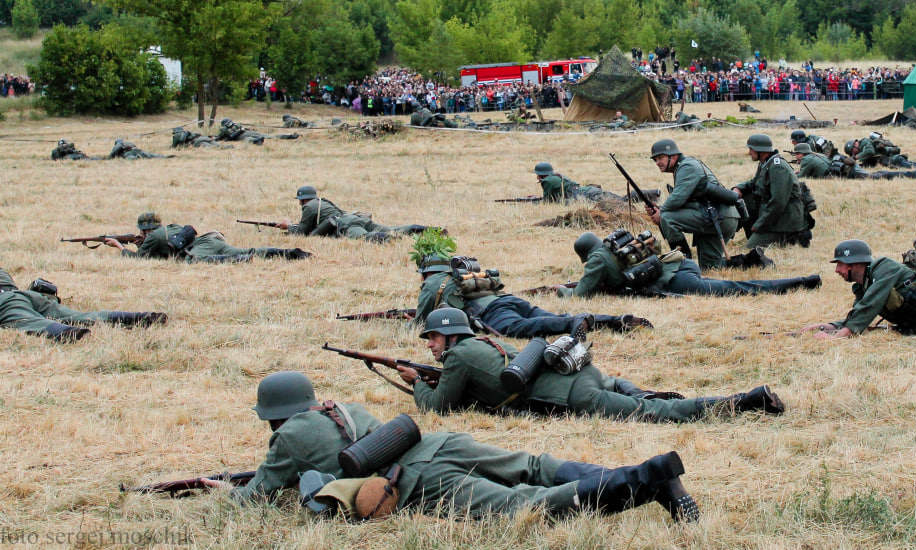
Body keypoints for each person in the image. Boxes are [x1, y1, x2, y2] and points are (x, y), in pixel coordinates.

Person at [207, 371, 700, 522]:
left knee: (518, 507)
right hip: (439, 443)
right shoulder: (345, 408)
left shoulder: (288, 436)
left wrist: (216, 488)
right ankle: (642, 476)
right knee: (532, 466)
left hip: (418, 480)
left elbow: (255, 497)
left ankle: (645, 477)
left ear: (273, 415)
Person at [398, 309, 785, 423]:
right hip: (582, 372)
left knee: (657, 414)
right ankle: (642, 393)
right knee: (629, 392)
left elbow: (439, 408)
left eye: (432, 338)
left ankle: (744, 402)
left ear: (450, 337)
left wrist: (417, 382)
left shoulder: (458, 357)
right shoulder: (485, 342)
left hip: (573, 395)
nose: (429, 345)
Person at [414, 255, 652, 338]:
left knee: (523, 329)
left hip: (492, 313)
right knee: (548, 319)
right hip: (509, 301)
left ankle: (574, 322)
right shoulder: (462, 274)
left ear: (427, 272)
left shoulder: (434, 282)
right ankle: (611, 320)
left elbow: (423, 319)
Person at [563, 230, 817, 298]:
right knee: (732, 287)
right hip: (679, 265)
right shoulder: (613, 248)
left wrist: (564, 291)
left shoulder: (597, 260)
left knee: (737, 289)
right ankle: (802, 281)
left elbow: (581, 295)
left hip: (676, 279)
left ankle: (802, 282)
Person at [645, 139, 740, 269]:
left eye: (660, 158)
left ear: (673, 156)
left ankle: (683, 263)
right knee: (710, 268)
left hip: (718, 217)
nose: (657, 163)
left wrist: (661, 213)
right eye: (655, 160)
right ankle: (753, 261)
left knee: (667, 218)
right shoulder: (683, 166)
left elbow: (677, 199)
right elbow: (685, 201)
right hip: (719, 217)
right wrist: (659, 209)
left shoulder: (687, 167)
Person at [0, 268, 165, 341]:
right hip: (28, 295)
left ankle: (68, 333)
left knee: (27, 321)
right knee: (78, 316)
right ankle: (135, 318)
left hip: (7, 301)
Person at [104, 212, 310, 262]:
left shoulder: (152, 237)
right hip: (210, 238)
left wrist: (119, 247)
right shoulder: (168, 228)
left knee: (194, 262)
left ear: (144, 228)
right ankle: (289, 253)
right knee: (248, 249)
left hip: (201, 249)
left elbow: (139, 260)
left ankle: (238, 261)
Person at [733, 134, 811, 249]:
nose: (749, 152)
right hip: (775, 215)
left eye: (751, 149)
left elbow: (778, 202)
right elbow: (755, 183)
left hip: (785, 219)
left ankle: (785, 238)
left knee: (750, 248)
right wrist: (738, 188)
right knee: (745, 198)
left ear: (760, 151)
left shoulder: (777, 167)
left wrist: (760, 224)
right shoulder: (766, 163)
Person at [283, 185, 429, 242]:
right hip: (356, 218)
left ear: (302, 200)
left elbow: (302, 232)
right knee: (393, 229)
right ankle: (422, 230)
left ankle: (389, 239)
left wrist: (288, 227)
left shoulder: (309, 207)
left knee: (365, 238)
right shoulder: (323, 201)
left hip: (347, 225)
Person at [533, 162, 626, 204]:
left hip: (585, 196)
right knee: (623, 200)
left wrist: (534, 202)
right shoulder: (556, 176)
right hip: (588, 191)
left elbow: (547, 202)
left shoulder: (547, 181)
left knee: (617, 203)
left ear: (541, 174)